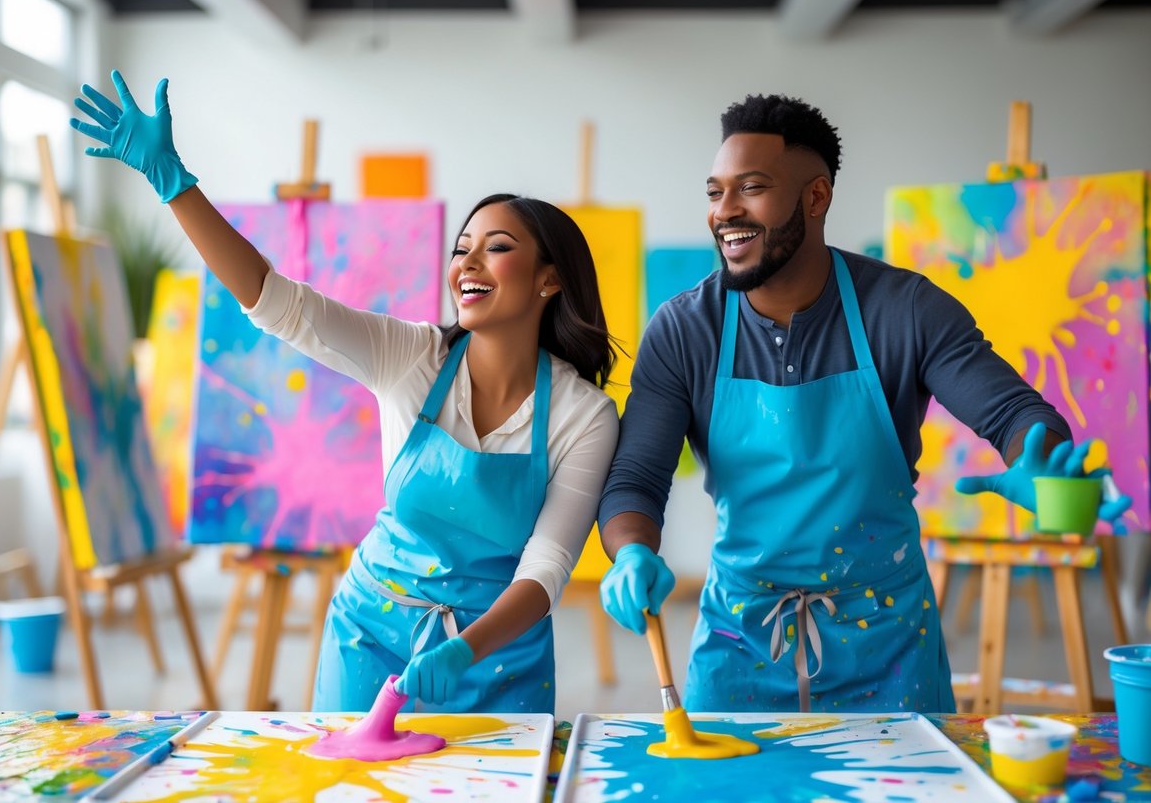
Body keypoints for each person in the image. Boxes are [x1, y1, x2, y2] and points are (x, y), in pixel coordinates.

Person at [70, 71, 620, 714]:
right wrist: (174, 183)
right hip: (370, 631)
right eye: (461, 249)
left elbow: (545, 570)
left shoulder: (584, 416)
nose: (467, 264)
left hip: (499, 651)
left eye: (496, 249)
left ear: (549, 280)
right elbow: (278, 303)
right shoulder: (411, 356)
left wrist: (466, 649)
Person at [595, 93, 1128, 714]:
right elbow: (637, 477)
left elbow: (1014, 413)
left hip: (890, 647)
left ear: (816, 197)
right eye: (716, 192)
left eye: (752, 188)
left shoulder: (904, 310)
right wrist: (632, 550)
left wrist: (1041, 458)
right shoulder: (685, 329)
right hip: (741, 640)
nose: (725, 212)